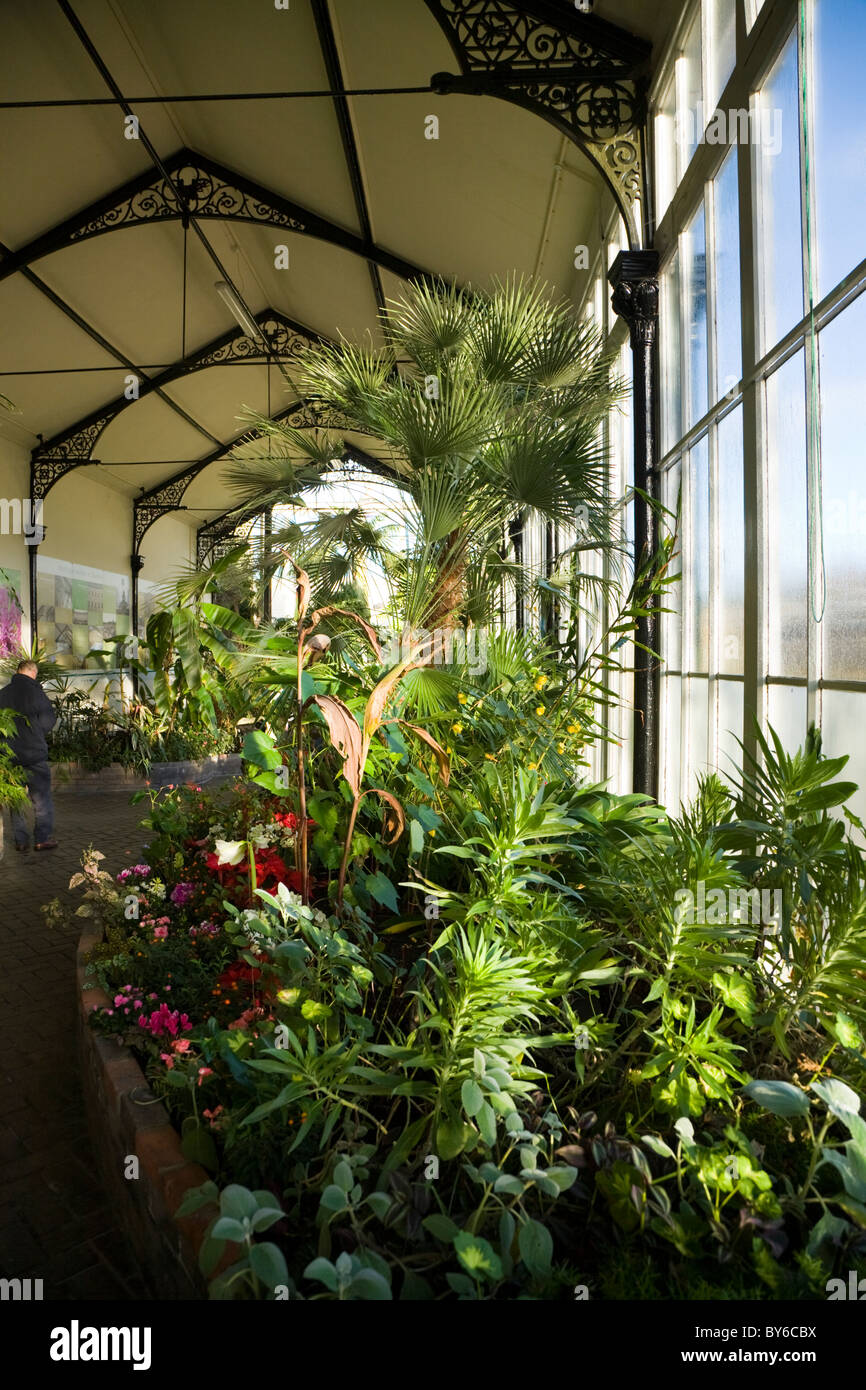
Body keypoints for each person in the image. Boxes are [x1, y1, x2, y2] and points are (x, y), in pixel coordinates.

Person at [0, 659, 58, 852]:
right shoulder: (37, 693)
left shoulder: (3, 694)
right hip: (34, 755)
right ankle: (42, 839)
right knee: (41, 799)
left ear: (18, 672)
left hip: (10, 757)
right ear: (33, 672)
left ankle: (21, 841)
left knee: (16, 800)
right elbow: (49, 720)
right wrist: (35, 733)